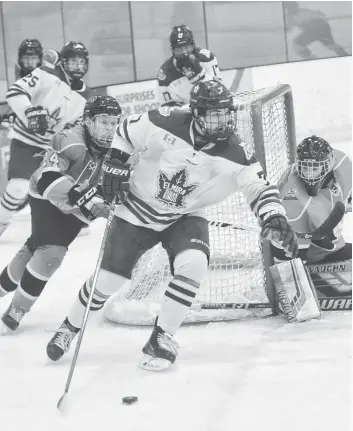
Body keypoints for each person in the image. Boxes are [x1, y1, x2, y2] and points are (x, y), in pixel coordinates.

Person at [46, 80, 298, 370]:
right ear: (197, 114)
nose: (223, 121)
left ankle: (162, 337)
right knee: (108, 283)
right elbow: (126, 132)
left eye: (226, 113)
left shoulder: (237, 151)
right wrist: (116, 161)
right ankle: (69, 327)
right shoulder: (164, 121)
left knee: (194, 264)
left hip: (185, 216)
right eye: (214, 114)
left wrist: (274, 216)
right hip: (137, 210)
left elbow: (259, 188)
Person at [0, 96, 122, 333]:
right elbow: (47, 178)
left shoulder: (120, 146)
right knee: (51, 252)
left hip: (79, 207)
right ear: (87, 121)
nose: (109, 128)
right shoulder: (69, 140)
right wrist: (82, 195)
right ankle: (17, 310)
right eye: (103, 122)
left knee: (34, 247)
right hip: (49, 196)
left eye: (113, 122)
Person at [0, 41, 91, 238]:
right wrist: (29, 111)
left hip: (51, 148)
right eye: (73, 62)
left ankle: (71, 215)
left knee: (63, 183)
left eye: (81, 63)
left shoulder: (85, 97)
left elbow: (75, 127)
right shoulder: (46, 73)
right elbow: (15, 92)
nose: (77, 67)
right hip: (26, 140)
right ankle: (2, 221)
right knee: (18, 188)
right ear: (63, 62)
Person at [271, 135, 352, 295]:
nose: (308, 174)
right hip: (310, 258)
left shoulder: (342, 162)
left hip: (331, 247)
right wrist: (294, 293)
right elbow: (285, 262)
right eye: (305, 167)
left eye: (314, 168)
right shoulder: (293, 202)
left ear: (329, 164)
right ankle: (318, 284)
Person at [157, 25, 222, 107]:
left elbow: (219, 92)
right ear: (172, 50)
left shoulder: (207, 58)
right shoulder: (165, 73)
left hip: (210, 108)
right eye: (179, 49)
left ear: (193, 45)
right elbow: (167, 108)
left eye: (187, 47)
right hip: (185, 115)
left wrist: (201, 77)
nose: (184, 52)